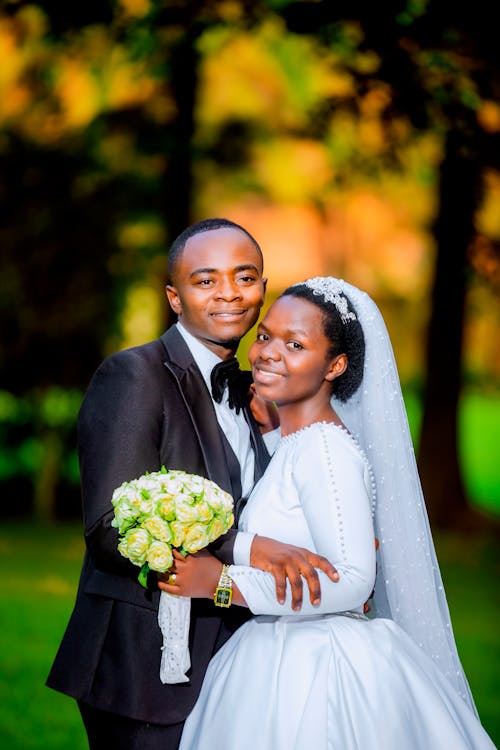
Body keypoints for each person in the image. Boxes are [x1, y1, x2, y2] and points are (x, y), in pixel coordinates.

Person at [164, 276, 496, 750]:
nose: (267, 352)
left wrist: (219, 584)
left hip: (314, 670)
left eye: (295, 344)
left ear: (335, 365)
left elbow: (356, 579)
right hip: (272, 648)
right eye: (265, 335)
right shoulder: (296, 442)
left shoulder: (325, 450)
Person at [46, 221, 340, 750]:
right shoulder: (135, 375)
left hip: (240, 660)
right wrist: (250, 550)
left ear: (263, 290)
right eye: (205, 281)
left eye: (244, 277)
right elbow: (111, 530)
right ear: (174, 297)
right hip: (142, 666)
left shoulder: (266, 392)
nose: (228, 292)